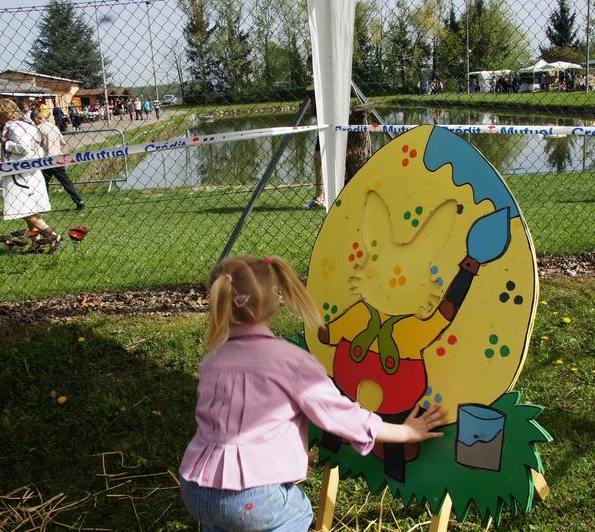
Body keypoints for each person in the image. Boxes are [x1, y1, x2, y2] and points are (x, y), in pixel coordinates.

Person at [179, 255, 447, 531]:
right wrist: (406, 433)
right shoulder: (291, 362)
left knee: (225, 523)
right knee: (297, 512)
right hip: (249, 497)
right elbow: (342, 417)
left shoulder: (213, 361)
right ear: (274, 296)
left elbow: (235, 421)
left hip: (196, 489)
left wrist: (285, 452)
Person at [0, 98, 61, 251]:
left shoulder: (13, 127)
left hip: (19, 174)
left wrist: (6, 143)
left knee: (22, 210)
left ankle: (53, 235)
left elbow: (23, 147)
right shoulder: (28, 125)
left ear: (5, 114)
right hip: (31, 171)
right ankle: (36, 243)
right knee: (29, 209)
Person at [31, 109, 84, 210]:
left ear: (36, 119)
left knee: (43, 182)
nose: (34, 123)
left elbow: (36, 144)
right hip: (58, 157)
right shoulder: (53, 126)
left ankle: (42, 204)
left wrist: (45, 143)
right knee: (65, 182)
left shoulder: (37, 129)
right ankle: (79, 201)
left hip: (47, 159)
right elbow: (63, 142)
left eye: (34, 121)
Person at [301, 55, 325, 210]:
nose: (308, 68)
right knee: (318, 159)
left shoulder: (325, 82)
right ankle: (320, 196)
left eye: (310, 65)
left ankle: (322, 196)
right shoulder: (314, 86)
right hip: (323, 125)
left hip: (337, 123)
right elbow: (314, 111)